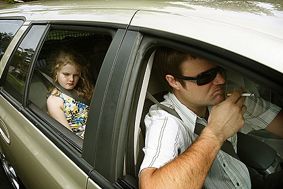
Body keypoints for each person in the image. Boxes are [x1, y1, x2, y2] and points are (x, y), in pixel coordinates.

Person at [139, 47, 283, 189]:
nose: (220, 80)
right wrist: (215, 133)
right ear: (174, 81)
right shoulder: (166, 121)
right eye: (205, 77)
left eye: (219, 69)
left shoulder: (226, 97)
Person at [47, 48, 93, 138]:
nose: (71, 79)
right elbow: (69, 136)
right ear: (56, 72)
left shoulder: (81, 89)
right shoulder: (54, 101)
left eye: (76, 75)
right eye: (66, 74)